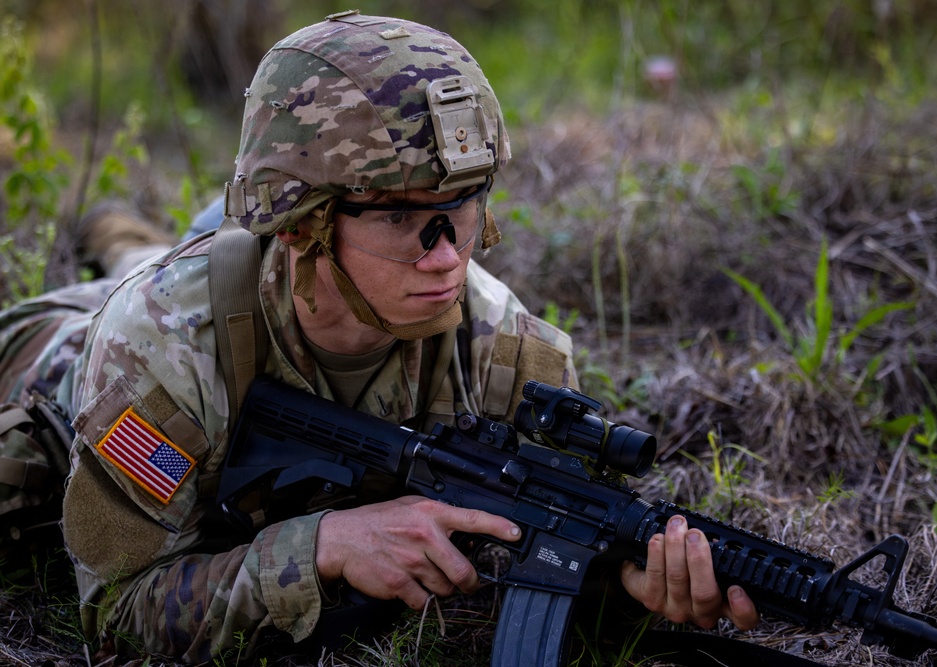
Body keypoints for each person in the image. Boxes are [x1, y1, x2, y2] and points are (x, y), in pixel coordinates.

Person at [0, 11, 758, 663]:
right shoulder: (160, 349)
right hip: (57, 355)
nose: (447, 257)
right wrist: (320, 547)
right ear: (301, 223)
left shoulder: (505, 352)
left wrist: (623, 580)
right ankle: (119, 235)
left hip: (265, 278)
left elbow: (559, 543)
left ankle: (129, 234)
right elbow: (120, 608)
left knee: (184, 251)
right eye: (401, 217)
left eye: (462, 209)